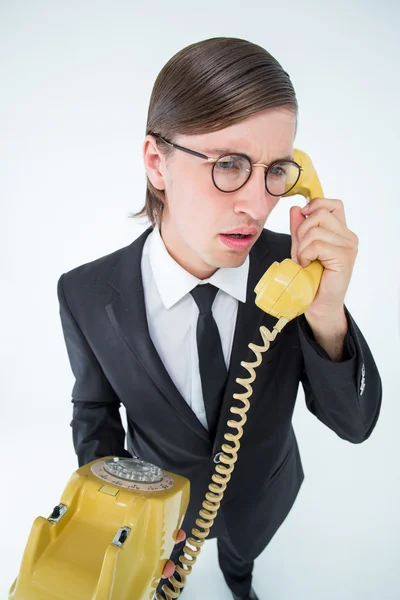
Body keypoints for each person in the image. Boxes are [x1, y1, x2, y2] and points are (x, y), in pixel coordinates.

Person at [57, 37, 382, 600]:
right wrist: (117, 513)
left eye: (275, 170)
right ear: (158, 162)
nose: (258, 205)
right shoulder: (86, 293)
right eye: (229, 165)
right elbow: (95, 408)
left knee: (240, 559)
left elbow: (354, 425)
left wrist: (325, 309)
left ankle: (240, 580)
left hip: (262, 495)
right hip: (165, 503)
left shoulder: (295, 271)